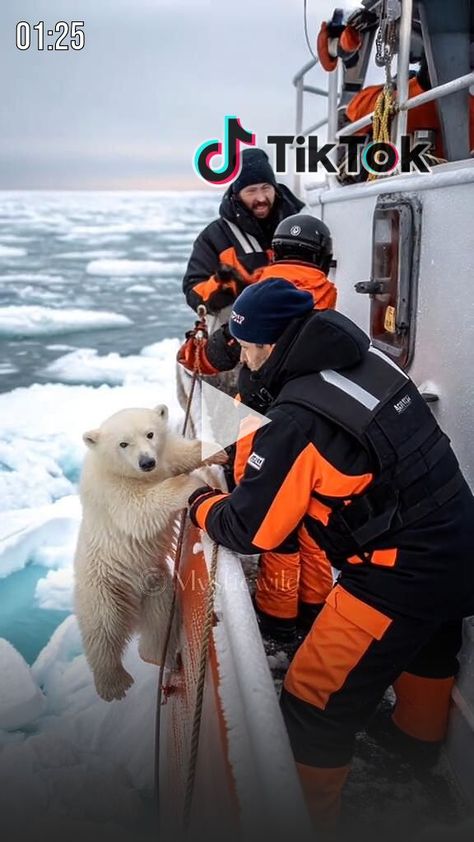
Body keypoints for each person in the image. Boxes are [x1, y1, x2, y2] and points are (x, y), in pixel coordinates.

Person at [186, 278, 474, 828]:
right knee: (429, 643)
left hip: (399, 573)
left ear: (271, 346)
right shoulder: (370, 360)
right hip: (459, 535)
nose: (243, 361)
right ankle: (413, 744)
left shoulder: (297, 419)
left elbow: (252, 530)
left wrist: (200, 501)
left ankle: (306, 819)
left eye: (247, 349)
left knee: (312, 699)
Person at [178, 216, 337, 640]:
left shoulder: (260, 300)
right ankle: (314, 613)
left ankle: (277, 623)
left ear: (274, 253)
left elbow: (211, 357)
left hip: (261, 432)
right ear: (324, 259)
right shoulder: (327, 304)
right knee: (313, 529)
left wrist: (191, 349)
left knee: (275, 531)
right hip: (317, 433)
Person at [182, 147, 304, 316]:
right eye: (251, 191)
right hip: (240, 326)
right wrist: (221, 284)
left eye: (266, 188)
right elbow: (193, 290)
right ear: (236, 194)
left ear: (275, 188)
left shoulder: (301, 224)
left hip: (295, 321)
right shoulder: (215, 236)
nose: (261, 198)